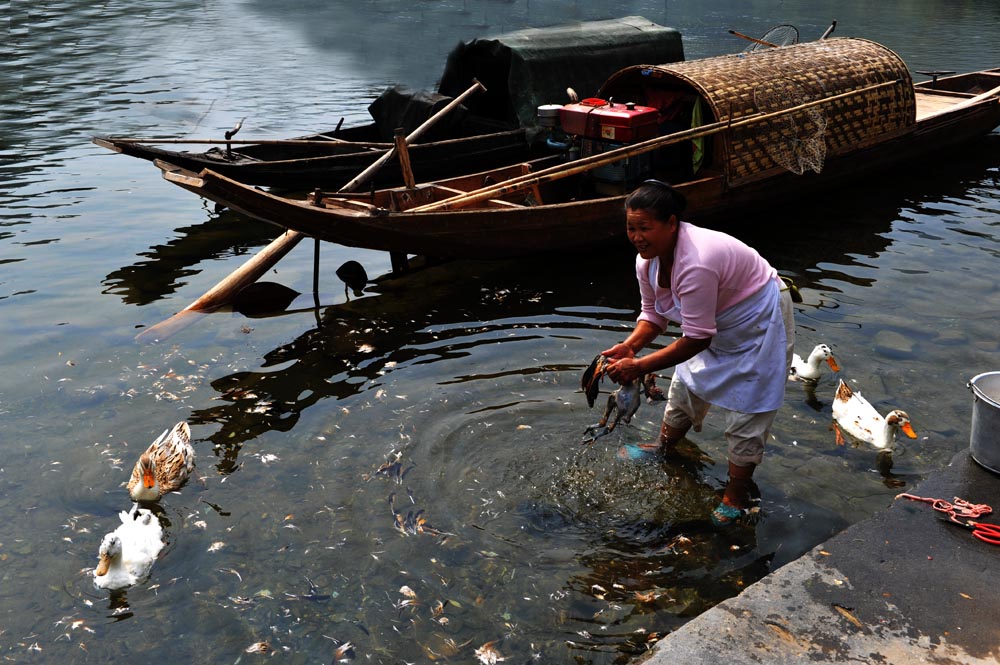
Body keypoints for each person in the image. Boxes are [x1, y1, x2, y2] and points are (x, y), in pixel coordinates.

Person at [602, 180, 795, 527]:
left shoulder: (698, 262)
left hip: (757, 319)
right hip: (714, 319)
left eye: (645, 227)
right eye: (631, 228)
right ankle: (663, 447)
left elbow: (696, 340)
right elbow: (654, 314)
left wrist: (640, 366)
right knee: (688, 381)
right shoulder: (646, 262)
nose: (636, 236)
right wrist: (631, 345)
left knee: (750, 405)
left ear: (672, 223)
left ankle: (736, 492)